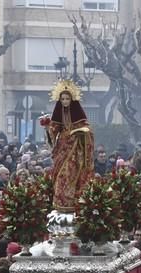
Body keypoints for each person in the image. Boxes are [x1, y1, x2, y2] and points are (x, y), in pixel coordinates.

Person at [42, 79, 94, 212]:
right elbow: (53, 132)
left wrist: (80, 133)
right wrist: (47, 126)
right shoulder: (58, 112)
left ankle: (72, 200)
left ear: (72, 99)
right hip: (62, 147)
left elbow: (87, 129)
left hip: (76, 149)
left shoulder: (78, 114)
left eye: (67, 98)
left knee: (70, 173)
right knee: (59, 174)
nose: (65, 101)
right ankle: (61, 201)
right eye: (63, 99)